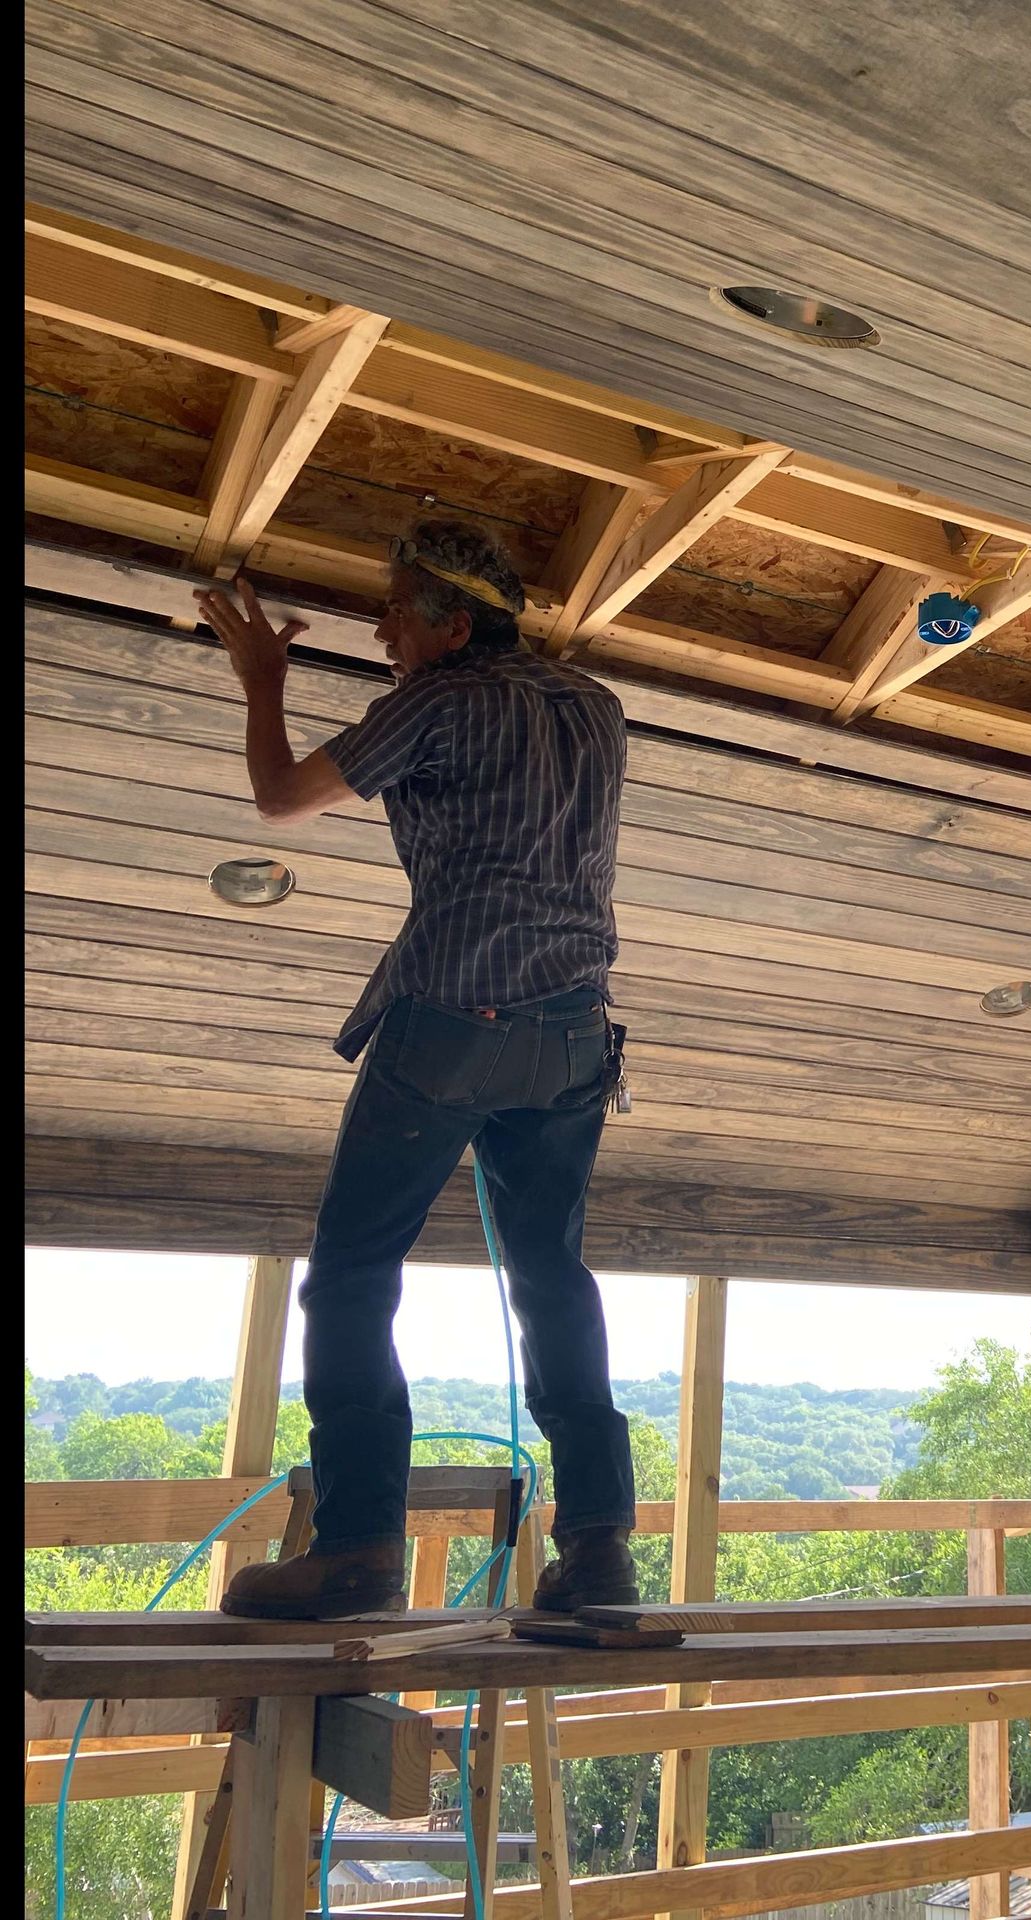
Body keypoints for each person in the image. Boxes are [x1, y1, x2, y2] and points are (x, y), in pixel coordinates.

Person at [193, 521, 640, 1620]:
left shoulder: (439, 702)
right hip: (576, 1032)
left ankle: (356, 1549)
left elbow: (281, 798)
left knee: (353, 1276)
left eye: (396, 610)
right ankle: (597, 1548)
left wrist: (263, 678)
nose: (381, 628)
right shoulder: (597, 708)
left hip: (453, 1019)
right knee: (553, 1281)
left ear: (451, 622)